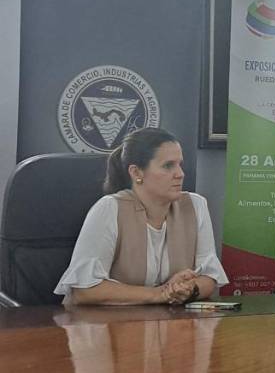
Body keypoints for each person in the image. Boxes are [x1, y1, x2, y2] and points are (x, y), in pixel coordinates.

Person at [55, 128, 229, 305]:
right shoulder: (110, 209)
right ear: (136, 173)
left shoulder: (195, 206)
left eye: (180, 164)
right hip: (104, 320)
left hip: (168, 319)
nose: (180, 174)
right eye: (168, 166)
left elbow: (209, 277)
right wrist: (159, 294)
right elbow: (84, 291)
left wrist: (188, 289)